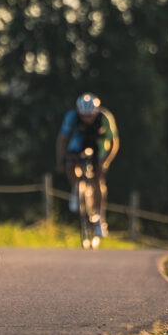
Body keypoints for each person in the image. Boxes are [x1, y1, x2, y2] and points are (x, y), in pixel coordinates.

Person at [55, 93, 119, 237]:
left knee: (97, 177)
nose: (87, 119)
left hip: (99, 142)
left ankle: (99, 218)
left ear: (95, 112)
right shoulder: (72, 117)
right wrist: (61, 161)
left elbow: (114, 143)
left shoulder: (104, 118)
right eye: (83, 116)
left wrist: (105, 161)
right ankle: (76, 188)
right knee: (70, 161)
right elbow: (62, 140)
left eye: (90, 115)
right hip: (81, 139)